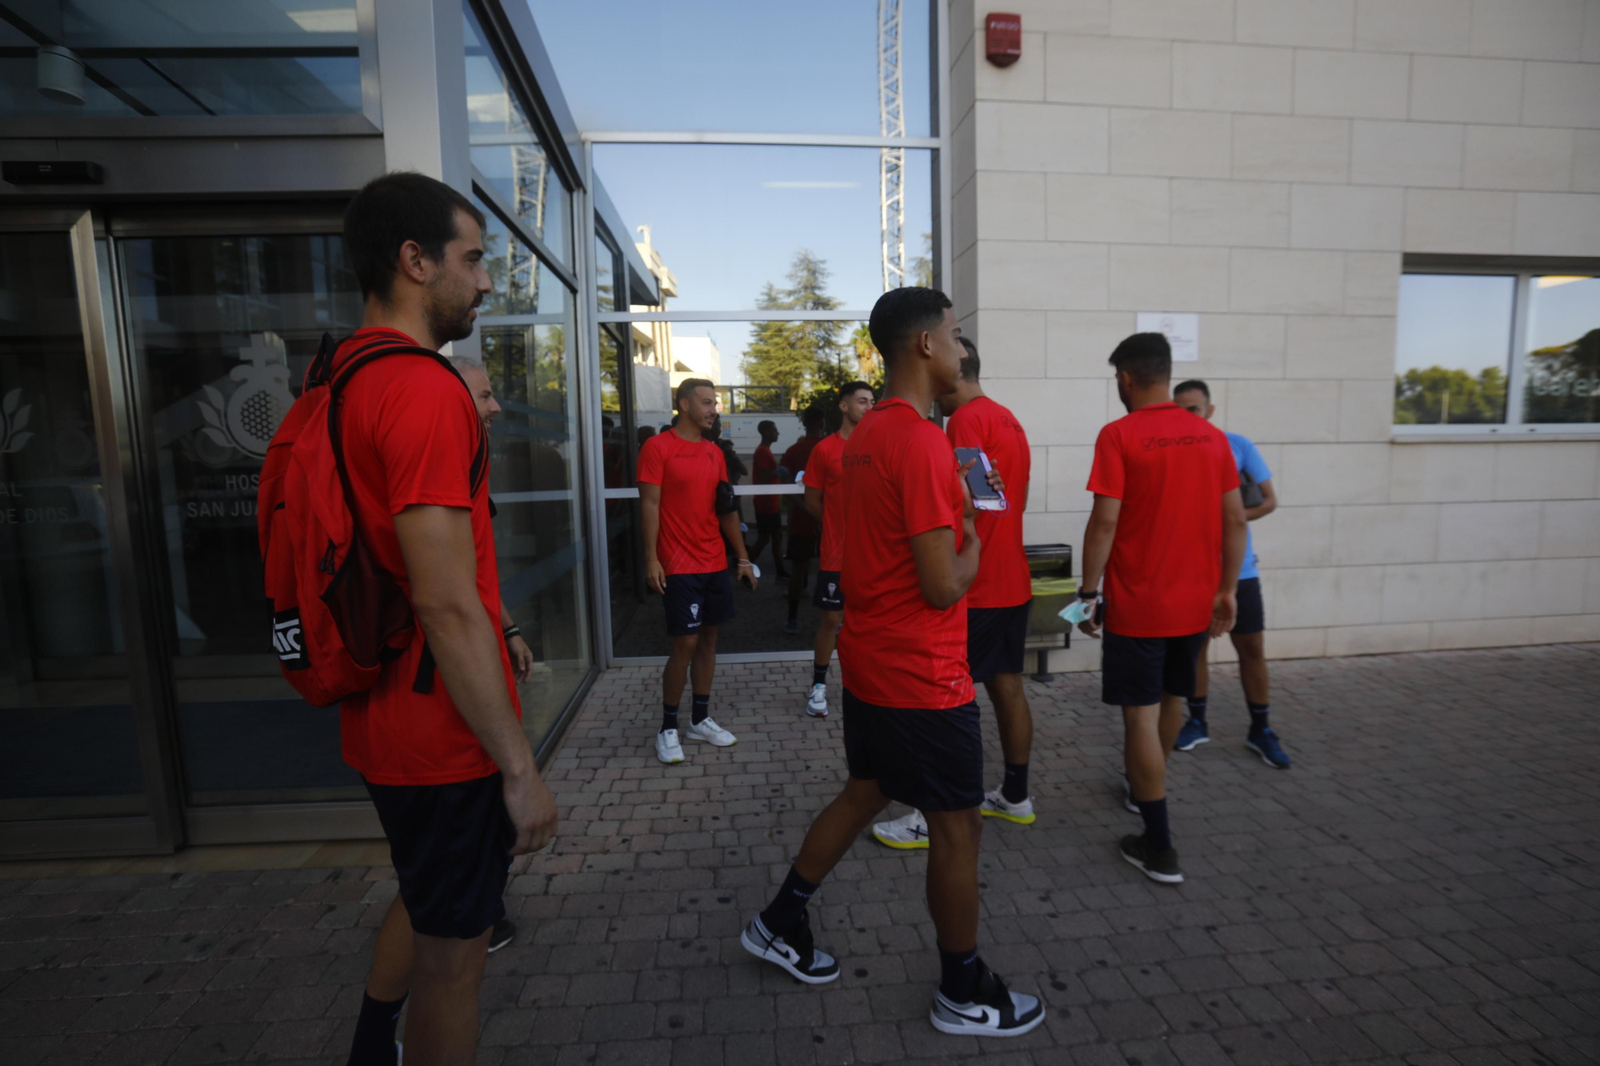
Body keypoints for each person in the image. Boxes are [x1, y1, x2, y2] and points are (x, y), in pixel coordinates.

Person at [741, 287, 1043, 1039]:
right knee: (958, 829)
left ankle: (779, 920)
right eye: (954, 332)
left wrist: (963, 519)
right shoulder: (924, 440)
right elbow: (944, 581)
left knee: (865, 793)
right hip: (922, 675)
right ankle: (962, 989)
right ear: (925, 347)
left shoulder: (867, 435)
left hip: (872, 663)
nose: (963, 346)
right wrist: (974, 544)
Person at [334, 172, 558, 1066]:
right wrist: (518, 768)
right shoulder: (423, 389)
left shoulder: (341, 374)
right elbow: (440, 597)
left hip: (382, 715)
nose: (487, 281)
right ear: (414, 261)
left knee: (429, 906)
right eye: (474, 259)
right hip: (440, 732)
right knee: (455, 960)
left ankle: (365, 1046)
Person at [1076, 333, 1246, 886]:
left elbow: (1105, 521)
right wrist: (1228, 591)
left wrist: (1087, 592)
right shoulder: (1212, 438)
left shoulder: (1119, 435)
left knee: (1139, 719)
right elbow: (1236, 521)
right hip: (1196, 603)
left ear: (1126, 378)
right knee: (1174, 699)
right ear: (1166, 374)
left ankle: (1159, 844)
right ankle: (1148, 791)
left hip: (1140, 606)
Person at [871, 336, 1036, 847]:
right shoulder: (1007, 417)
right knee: (1007, 686)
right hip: (1013, 581)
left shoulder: (966, 422)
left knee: (947, 705)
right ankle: (1015, 795)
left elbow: (979, 505)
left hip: (980, 587)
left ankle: (931, 813)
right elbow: (1001, 501)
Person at [1171, 380, 1290, 769]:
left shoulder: (1237, 445)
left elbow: (1269, 501)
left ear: (1210, 410)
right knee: (1197, 649)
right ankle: (1198, 721)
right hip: (1193, 571)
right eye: (1181, 409)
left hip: (1241, 571)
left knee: (1251, 648)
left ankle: (1262, 729)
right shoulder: (1172, 452)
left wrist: (1228, 518)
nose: (1188, 415)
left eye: (1195, 408)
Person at [637, 378, 754, 765]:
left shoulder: (714, 453)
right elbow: (650, 506)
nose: (713, 410)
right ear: (683, 405)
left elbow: (726, 508)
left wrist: (741, 557)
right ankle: (668, 727)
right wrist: (651, 557)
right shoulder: (657, 447)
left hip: (714, 562)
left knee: (708, 640)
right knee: (684, 644)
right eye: (706, 402)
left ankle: (699, 720)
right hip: (678, 564)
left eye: (714, 403)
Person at [800, 381, 875, 717]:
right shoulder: (824, 450)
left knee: (871, 622)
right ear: (844, 406)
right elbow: (813, 502)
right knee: (832, 619)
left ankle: (869, 686)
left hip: (873, 554)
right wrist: (836, 522)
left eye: (872, 401)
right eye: (862, 401)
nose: (868, 407)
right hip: (836, 552)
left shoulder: (879, 446)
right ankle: (818, 687)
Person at [780, 405, 826, 635]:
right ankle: (833, 619)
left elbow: (785, 487)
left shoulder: (793, 450)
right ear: (822, 424)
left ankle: (792, 618)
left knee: (799, 569)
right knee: (831, 568)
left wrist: (802, 508)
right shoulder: (829, 447)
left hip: (801, 518)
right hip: (827, 518)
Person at [748, 420, 787, 578]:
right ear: (766, 432)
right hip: (766, 504)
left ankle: (780, 570)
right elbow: (764, 474)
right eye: (774, 430)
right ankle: (745, 565)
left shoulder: (765, 451)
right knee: (766, 537)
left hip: (770, 502)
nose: (777, 433)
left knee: (775, 536)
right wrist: (778, 471)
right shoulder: (762, 451)